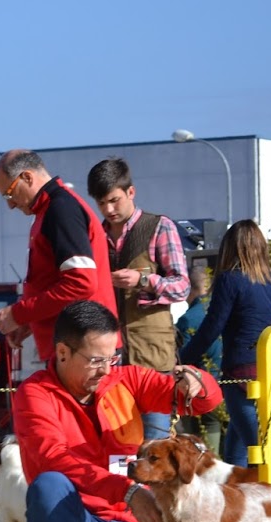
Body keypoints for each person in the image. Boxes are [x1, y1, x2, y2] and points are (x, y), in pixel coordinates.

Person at [14, 301, 221, 522]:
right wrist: (127, 491)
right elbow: (54, 457)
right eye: (96, 360)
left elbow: (204, 402)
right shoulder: (34, 394)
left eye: (113, 357)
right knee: (49, 485)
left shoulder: (128, 380)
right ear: (62, 352)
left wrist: (197, 381)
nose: (106, 369)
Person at [87, 156, 188, 440]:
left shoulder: (159, 226)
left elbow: (182, 286)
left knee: (156, 449)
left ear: (131, 192)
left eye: (114, 200)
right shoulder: (94, 236)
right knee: (115, 448)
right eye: (101, 203)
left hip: (153, 360)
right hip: (109, 363)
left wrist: (143, 280)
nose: (108, 209)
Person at [178, 219, 271, 467]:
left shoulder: (229, 279)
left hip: (239, 375)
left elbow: (212, 327)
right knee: (236, 452)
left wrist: (182, 359)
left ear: (230, 248)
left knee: (260, 454)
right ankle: (235, 491)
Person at [0, 149, 116, 365]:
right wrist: (30, 320)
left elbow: (81, 283)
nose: (10, 205)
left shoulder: (60, 209)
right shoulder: (51, 209)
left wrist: (19, 314)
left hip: (85, 352)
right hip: (77, 350)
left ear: (27, 177)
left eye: (9, 194)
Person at [174, 264, 223, 450]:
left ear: (189, 288)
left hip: (201, 390)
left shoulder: (188, 319)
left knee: (204, 448)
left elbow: (182, 359)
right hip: (232, 385)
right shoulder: (224, 311)